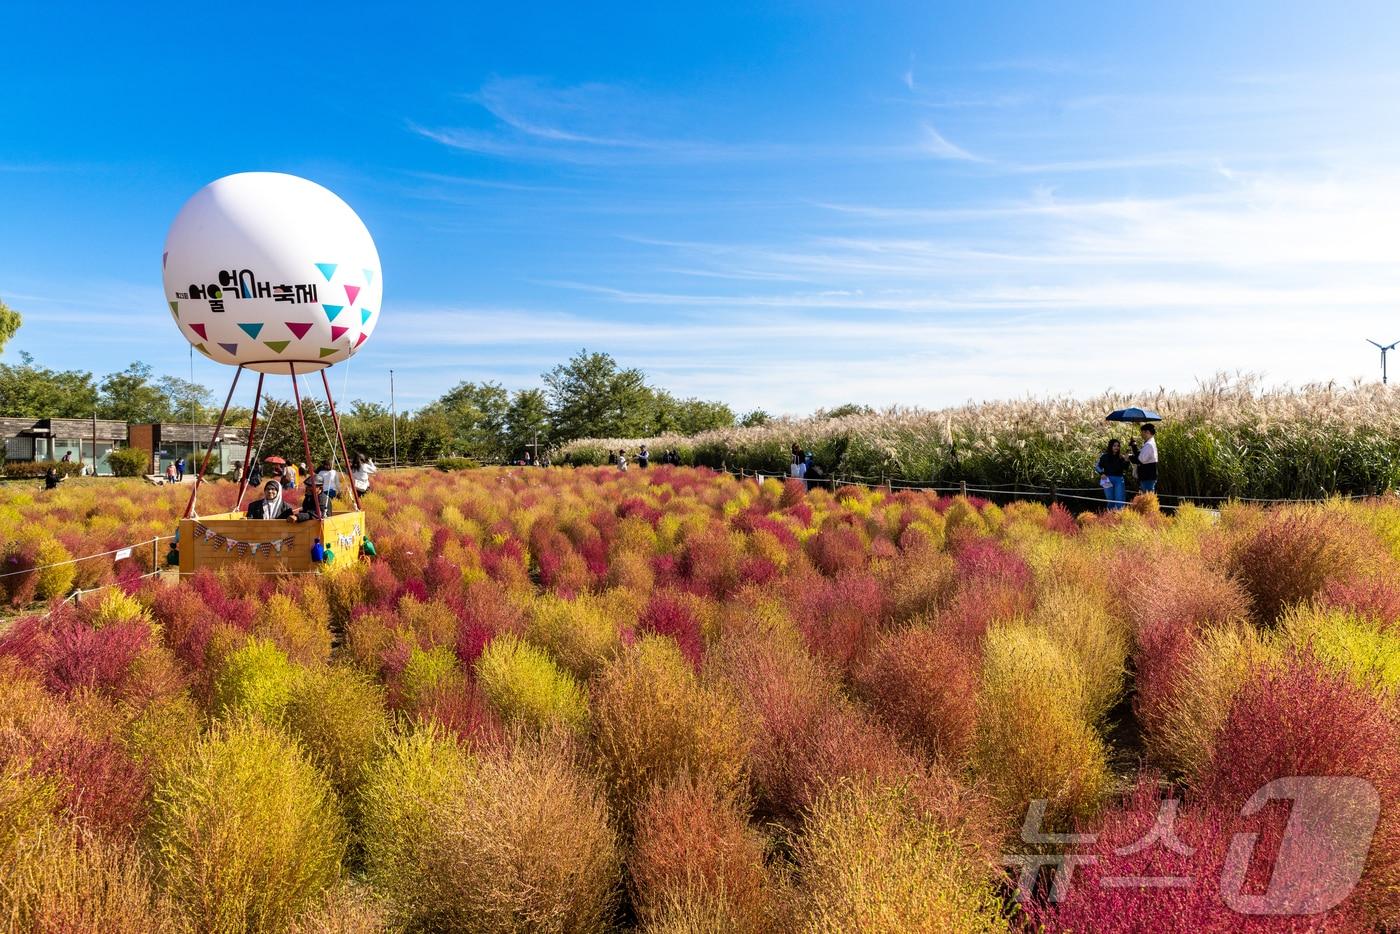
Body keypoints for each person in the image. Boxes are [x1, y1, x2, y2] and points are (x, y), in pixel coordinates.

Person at [1095, 439, 1131, 510]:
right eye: (1114, 446)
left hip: (1119, 480)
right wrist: (1102, 473)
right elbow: (1097, 466)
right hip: (1106, 480)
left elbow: (1126, 468)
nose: (1116, 447)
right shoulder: (1104, 456)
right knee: (1110, 499)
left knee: (1119, 499)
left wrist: (1127, 460)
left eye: (1118, 446)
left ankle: (1119, 515)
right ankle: (1110, 515)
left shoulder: (1121, 457)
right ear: (1110, 446)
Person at [1130, 424, 1159, 495]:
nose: (1141, 435)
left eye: (1142, 432)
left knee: (1147, 498)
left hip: (1147, 476)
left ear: (1147, 432)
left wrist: (1129, 457)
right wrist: (1134, 445)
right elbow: (1140, 455)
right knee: (1145, 497)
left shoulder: (1149, 444)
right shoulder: (1148, 443)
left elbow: (1140, 460)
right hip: (1147, 476)